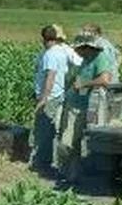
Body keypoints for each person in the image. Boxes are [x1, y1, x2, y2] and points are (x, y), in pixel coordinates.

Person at [57, 34, 116, 189]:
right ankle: (71, 175)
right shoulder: (86, 60)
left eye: (78, 49)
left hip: (85, 106)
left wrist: (84, 84)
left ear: (86, 48)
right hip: (75, 103)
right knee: (70, 142)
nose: (76, 52)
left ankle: (71, 173)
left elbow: (105, 79)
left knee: (69, 143)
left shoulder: (100, 58)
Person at [30, 25, 72, 176]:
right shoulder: (61, 51)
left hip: (50, 96)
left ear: (44, 39)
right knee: (51, 129)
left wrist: (43, 98)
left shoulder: (50, 54)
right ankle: (48, 161)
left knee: (44, 130)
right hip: (58, 94)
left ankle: (43, 163)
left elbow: (50, 77)